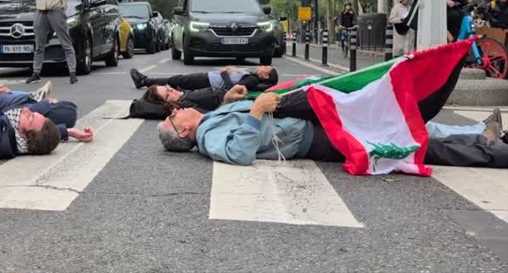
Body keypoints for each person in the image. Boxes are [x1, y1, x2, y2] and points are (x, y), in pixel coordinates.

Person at [157, 93, 507, 168]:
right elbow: (237, 153)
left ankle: (480, 136)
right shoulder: (206, 137)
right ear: (183, 132)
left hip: (311, 122)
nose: (178, 109)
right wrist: (255, 112)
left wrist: (235, 99)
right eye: (174, 116)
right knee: (398, 143)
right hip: (315, 138)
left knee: (389, 121)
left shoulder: (211, 117)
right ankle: (489, 149)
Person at [129, 66, 278, 92]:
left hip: (209, 81)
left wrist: (225, 72)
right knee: (178, 82)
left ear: (265, 76)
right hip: (208, 79)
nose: (262, 66)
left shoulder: (252, 80)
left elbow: (234, 88)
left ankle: (145, 81)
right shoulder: (252, 77)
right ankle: (147, 82)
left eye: (265, 67)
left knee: (177, 80)